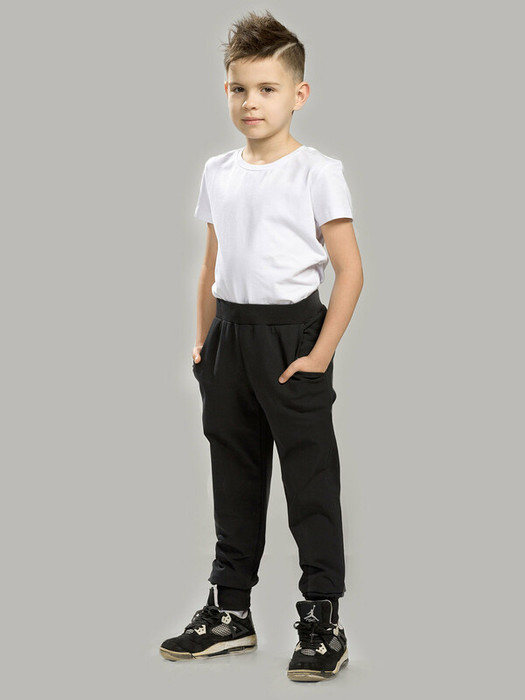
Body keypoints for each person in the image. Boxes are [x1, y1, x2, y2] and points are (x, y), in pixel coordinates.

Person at [159, 10, 364, 682]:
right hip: (229, 338)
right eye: (239, 88)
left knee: (309, 480)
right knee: (234, 474)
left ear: (298, 94)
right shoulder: (218, 171)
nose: (251, 102)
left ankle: (322, 618)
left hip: (292, 337)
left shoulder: (316, 172)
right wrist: (203, 342)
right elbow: (211, 265)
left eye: (267, 89)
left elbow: (350, 270)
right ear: (227, 91)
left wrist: (320, 353)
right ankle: (230, 611)